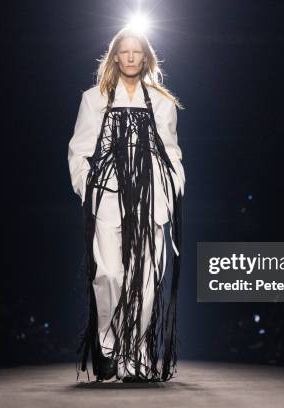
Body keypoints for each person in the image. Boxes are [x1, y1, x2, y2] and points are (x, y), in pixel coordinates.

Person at [68, 27, 185, 383]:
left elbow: (172, 152)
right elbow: (79, 151)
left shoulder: (162, 102)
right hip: (107, 196)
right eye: (125, 51)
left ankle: (135, 355)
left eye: (137, 52)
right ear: (115, 56)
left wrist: (172, 189)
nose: (131, 57)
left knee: (146, 279)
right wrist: (88, 189)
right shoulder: (94, 98)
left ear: (145, 57)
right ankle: (107, 349)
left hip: (151, 199)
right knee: (107, 273)